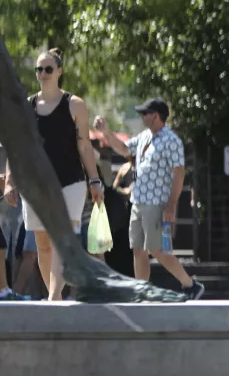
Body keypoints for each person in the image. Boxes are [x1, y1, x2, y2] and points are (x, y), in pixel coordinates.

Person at [3, 49, 104, 301]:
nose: (43, 74)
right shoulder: (25, 106)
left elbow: (84, 146)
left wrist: (94, 180)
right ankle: (55, 295)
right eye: (39, 69)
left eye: (48, 69)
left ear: (59, 71)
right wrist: (9, 182)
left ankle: (53, 295)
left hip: (70, 182)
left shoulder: (75, 105)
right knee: (43, 244)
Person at [95, 99, 205, 300]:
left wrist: (171, 204)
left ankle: (190, 284)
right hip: (138, 201)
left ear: (156, 115)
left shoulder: (171, 141)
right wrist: (106, 133)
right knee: (138, 249)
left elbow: (178, 174)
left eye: (145, 113)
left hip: (157, 203)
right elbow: (124, 149)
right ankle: (142, 291)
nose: (142, 117)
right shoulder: (145, 137)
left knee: (158, 250)